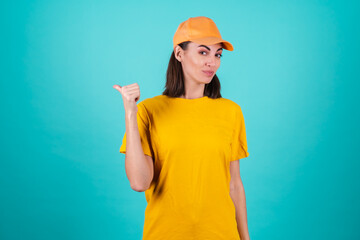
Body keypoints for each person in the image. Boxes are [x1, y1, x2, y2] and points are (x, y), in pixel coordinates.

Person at [113, 16, 250, 240]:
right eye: (203, 52)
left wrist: (245, 238)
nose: (212, 62)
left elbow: (234, 184)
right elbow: (139, 182)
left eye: (217, 55)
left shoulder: (231, 112)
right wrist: (130, 113)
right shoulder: (149, 111)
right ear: (179, 54)